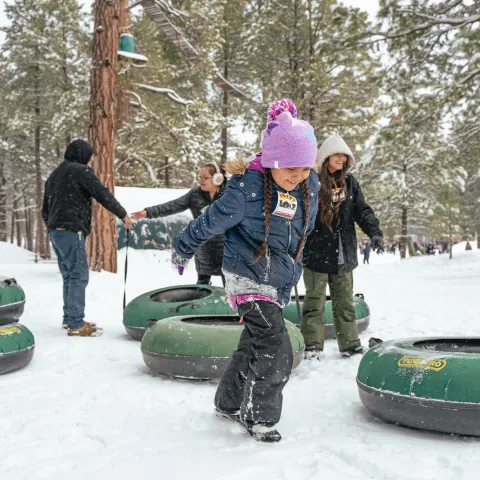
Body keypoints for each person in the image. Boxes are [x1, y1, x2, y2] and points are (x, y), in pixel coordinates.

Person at [171, 99, 319, 443]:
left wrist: (294, 268)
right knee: (274, 343)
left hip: (279, 276)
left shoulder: (309, 187)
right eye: (289, 170)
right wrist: (182, 249)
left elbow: (303, 231)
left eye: (304, 169)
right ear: (271, 163)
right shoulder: (246, 189)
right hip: (246, 275)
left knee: (253, 341)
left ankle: (228, 402)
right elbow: (207, 222)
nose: (296, 177)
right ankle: (260, 418)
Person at [300, 134, 383, 360]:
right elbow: (301, 216)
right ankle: (312, 345)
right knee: (314, 302)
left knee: (345, 303)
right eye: (337, 155)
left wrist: (374, 233)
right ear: (326, 158)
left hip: (343, 255)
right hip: (316, 254)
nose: (342, 159)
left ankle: (350, 344)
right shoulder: (311, 182)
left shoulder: (350, 183)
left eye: (344, 156)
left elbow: (362, 211)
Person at [42, 139, 133, 337]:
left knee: (69, 275)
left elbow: (45, 210)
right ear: (82, 155)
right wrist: (123, 214)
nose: (90, 163)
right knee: (79, 275)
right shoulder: (80, 171)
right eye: (90, 158)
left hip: (55, 232)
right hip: (71, 230)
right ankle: (75, 323)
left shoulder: (54, 175)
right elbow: (102, 194)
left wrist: (53, 227)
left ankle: (69, 319)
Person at [132, 162, 227, 286]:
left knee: (231, 290)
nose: (200, 180)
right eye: (199, 177)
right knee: (202, 288)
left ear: (217, 179)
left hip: (227, 250)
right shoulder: (195, 194)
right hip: (203, 249)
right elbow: (172, 206)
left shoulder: (230, 194)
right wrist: (147, 212)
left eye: (205, 177)